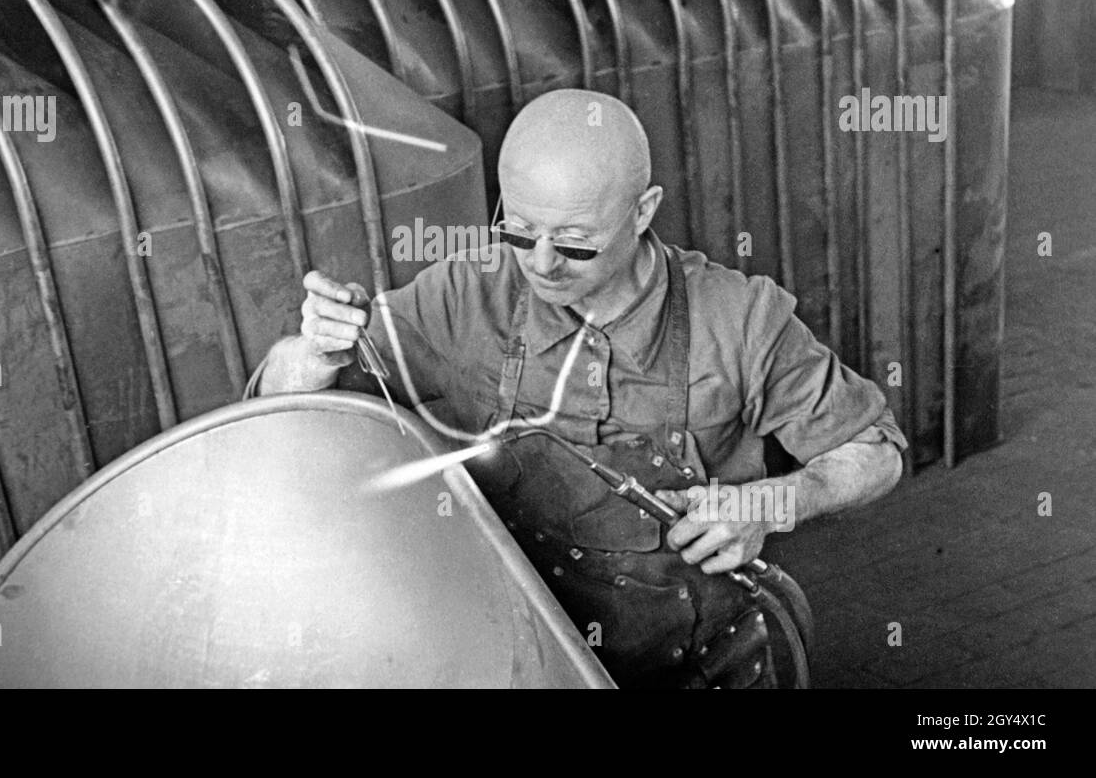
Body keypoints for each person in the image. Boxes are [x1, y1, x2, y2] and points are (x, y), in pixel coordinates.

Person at [250, 88, 906, 688]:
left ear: (643, 210)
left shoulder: (739, 321)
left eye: (575, 243)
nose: (541, 265)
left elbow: (877, 453)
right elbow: (285, 408)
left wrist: (770, 504)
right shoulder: (466, 291)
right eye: (520, 231)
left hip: (702, 666)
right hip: (532, 660)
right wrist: (314, 354)